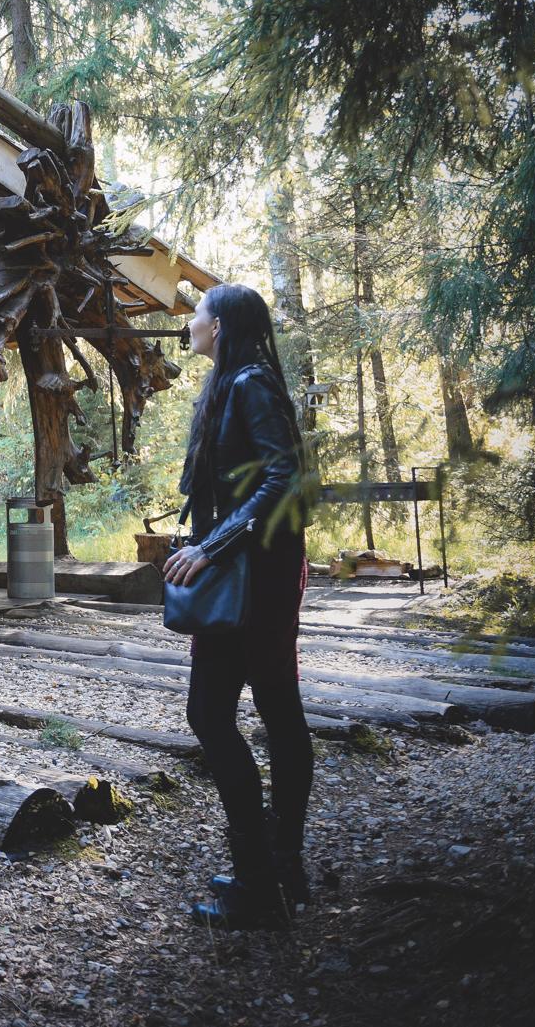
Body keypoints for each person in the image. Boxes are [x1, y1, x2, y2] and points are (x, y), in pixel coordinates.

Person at [161, 283, 313, 928]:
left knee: (214, 713)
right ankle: (281, 871)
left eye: (196, 315)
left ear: (218, 325)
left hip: (258, 574)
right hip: (258, 568)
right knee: (273, 709)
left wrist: (214, 547)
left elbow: (285, 479)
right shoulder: (237, 382)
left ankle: (259, 882)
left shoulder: (250, 382)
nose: (189, 324)